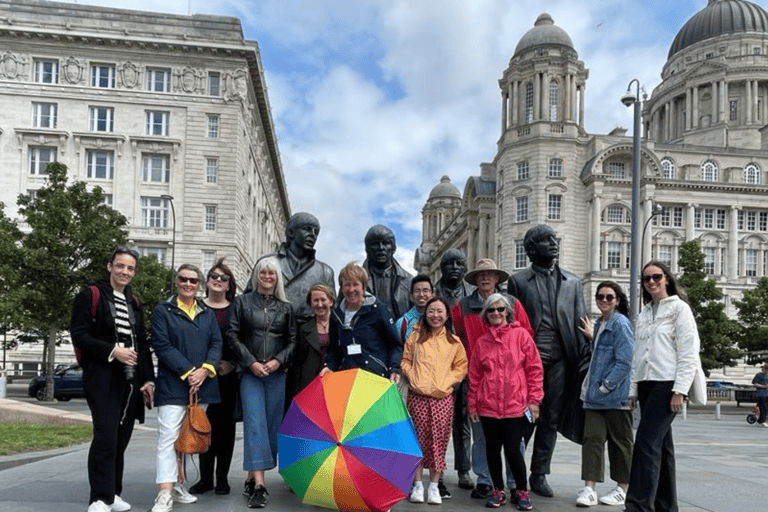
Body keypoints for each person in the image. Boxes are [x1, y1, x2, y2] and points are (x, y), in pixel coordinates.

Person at [507, 224, 590, 498]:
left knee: (551, 418)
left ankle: (539, 474)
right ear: (531, 248)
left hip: (561, 360)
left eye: (554, 239)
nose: (553, 243)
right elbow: (512, 323)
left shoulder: (573, 282)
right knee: (526, 417)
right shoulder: (518, 281)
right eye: (545, 240)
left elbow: (580, 321)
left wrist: (583, 358)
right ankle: (516, 474)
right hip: (528, 361)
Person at [71, 246, 154, 512]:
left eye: (130, 268)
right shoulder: (90, 295)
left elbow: (141, 342)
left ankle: (113, 492)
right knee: (105, 435)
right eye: (120, 266)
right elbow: (80, 335)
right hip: (102, 376)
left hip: (129, 379)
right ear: (110, 266)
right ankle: (98, 497)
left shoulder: (134, 302)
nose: (124, 272)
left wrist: (148, 380)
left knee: (121, 437)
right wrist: (113, 350)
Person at [451, 258, 532, 499]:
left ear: (497, 278)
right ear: (475, 279)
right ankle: (485, 479)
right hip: (479, 379)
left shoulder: (513, 304)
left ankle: (515, 483)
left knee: (513, 441)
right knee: (481, 436)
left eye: (490, 274)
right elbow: (459, 339)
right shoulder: (461, 307)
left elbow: (526, 337)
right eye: (480, 274)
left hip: (511, 385)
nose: (485, 278)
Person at [624, 261, 702, 512]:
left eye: (656, 277)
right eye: (646, 279)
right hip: (647, 384)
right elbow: (638, 355)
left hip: (667, 384)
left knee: (646, 443)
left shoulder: (680, 309)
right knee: (662, 447)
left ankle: (638, 506)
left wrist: (680, 390)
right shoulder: (646, 312)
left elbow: (688, 353)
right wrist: (633, 390)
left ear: (666, 279)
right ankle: (666, 506)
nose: (651, 282)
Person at [150, 264, 223, 512]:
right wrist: (188, 371)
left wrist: (205, 369)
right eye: (183, 279)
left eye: (193, 281)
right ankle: (165, 491)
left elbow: (216, 343)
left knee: (188, 436)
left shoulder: (206, 313)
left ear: (199, 284)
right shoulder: (163, 310)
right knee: (168, 438)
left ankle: (179, 485)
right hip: (173, 385)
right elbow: (161, 344)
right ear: (177, 282)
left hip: (201, 385)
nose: (188, 284)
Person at [227, 257, 296, 509]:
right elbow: (232, 335)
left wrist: (278, 361)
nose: (267, 277)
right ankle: (259, 485)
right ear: (256, 275)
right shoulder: (242, 303)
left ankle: (251, 475)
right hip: (250, 374)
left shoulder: (286, 308)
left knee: (271, 429)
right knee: (255, 423)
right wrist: (250, 362)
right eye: (263, 272)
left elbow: (292, 341)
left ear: (277, 278)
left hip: (276, 375)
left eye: (272, 273)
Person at [468, 294, 543, 510]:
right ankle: (497, 490)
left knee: (513, 449)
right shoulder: (482, 342)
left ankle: (521, 490)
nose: (496, 313)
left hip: (515, 406)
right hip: (489, 406)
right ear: (485, 315)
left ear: (507, 312)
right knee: (492, 449)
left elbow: (534, 370)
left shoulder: (521, 336)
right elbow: (475, 375)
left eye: (500, 309)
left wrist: (534, 401)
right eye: (491, 310)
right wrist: (472, 404)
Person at [402, 297, 468, 505]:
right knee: (417, 441)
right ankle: (418, 485)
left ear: (447, 315)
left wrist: (447, 382)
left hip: (442, 399)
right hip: (418, 396)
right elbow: (405, 360)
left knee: (438, 443)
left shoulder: (454, 342)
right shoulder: (415, 337)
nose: (435, 315)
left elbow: (461, 367)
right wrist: (412, 375)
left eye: (440, 311)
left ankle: (434, 486)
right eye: (431, 311)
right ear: (425, 314)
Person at [575, 282, 634, 508]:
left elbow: (624, 361)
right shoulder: (601, 324)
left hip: (614, 397)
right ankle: (589, 489)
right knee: (592, 441)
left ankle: (623, 489)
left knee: (621, 443)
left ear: (617, 300)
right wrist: (593, 337)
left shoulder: (620, 323)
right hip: (593, 397)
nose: (604, 301)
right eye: (601, 296)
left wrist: (605, 387)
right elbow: (601, 355)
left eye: (609, 297)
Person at [189, 258, 238, 496]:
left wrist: (234, 364)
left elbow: (243, 340)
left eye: (224, 278)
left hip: (227, 377)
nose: (218, 280)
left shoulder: (236, 308)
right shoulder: (197, 307)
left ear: (229, 285)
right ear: (207, 281)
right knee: (203, 425)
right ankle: (205, 478)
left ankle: (222, 479)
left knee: (225, 429)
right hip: (201, 376)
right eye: (214, 276)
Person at [433, 249, 475, 491]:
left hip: (463, 363)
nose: (455, 268)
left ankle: (463, 470)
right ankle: (431, 469)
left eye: (460, 263)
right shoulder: (432, 293)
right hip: (436, 364)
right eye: (450, 264)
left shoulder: (471, 295)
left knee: (462, 420)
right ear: (442, 267)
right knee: (434, 421)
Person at [245, 212, 335, 325]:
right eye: (307, 229)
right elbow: (247, 301)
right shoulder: (267, 263)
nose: (313, 235)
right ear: (291, 232)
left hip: (308, 336)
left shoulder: (325, 271)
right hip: (272, 331)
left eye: (316, 232)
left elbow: (332, 311)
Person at [322, 262, 402, 381]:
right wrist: (329, 366)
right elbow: (334, 349)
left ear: (364, 287)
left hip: (375, 376)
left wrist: (394, 368)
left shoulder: (379, 310)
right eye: (347, 285)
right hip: (348, 377)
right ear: (341, 287)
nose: (351, 289)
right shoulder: (336, 315)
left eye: (356, 285)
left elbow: (395, 344)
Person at [287, 283, 338, 399]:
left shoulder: (340, 325)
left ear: (330, 301)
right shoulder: (303, 329)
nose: (319, 304)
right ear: (310, 303)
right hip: (310, 386)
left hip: (335, 383)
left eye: (323, 300)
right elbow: (297, 364)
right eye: (315, 301)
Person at [362, 224, 413, 319]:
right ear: (367, 249)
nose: (381, 248)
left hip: (399, 332)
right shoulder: (354, 280)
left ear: (393, 248)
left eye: (385, 243)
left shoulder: (409, 281)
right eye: (375, 244)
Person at [395, 274, 434, 343]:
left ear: (432, 295)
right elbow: (396, 349)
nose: (421, 295)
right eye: (417, 291)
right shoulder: (402, 323)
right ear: (411, 296)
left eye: (425, 290)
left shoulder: (441, 319)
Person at [752, 363, 768, 427]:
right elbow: (755, 384)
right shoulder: (759, 375)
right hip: (761, 394)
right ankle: (762, 421)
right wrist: (763, 386)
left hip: (767, 393)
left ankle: (761, 420)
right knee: (763, 408)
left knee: (766, 408)